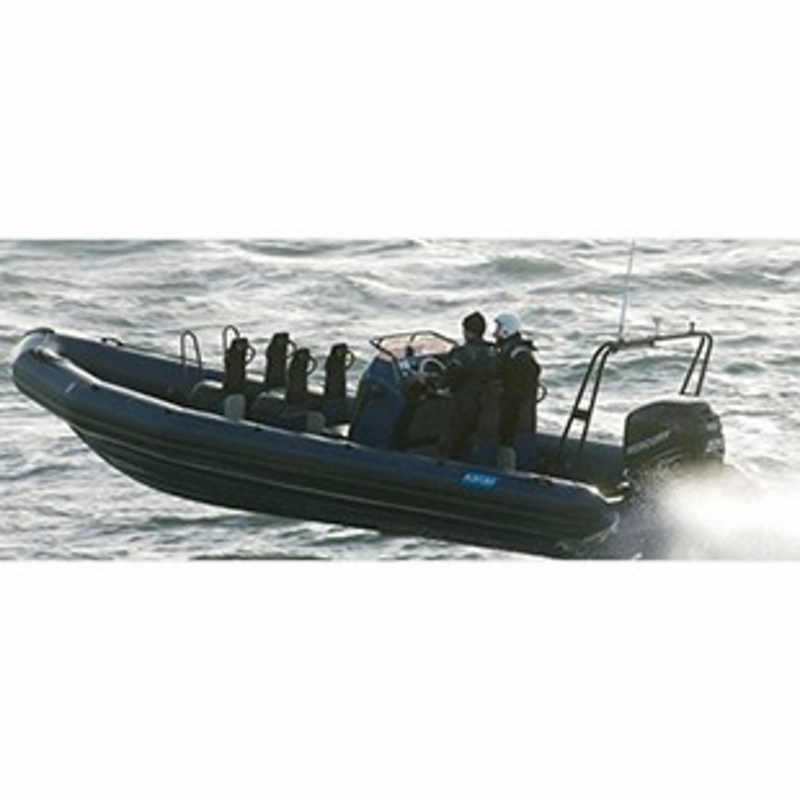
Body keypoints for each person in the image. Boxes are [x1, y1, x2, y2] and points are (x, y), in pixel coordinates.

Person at [437, 311, 497, 459]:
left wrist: (432, 382)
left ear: (467, 332)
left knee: (450, 437)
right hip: (487, 406)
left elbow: (447, 379)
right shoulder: (494, 351)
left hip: (465, 404)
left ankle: (443, 462)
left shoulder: (462, 353)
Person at [493, 312, 541, 470]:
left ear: (506, 330)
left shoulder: (518, 354)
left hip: (513, 409)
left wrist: (507, 394)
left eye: (498, 328)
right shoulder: (509, 351)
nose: (494, 333)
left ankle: (508, 469)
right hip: (511, 407)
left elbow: (524, 382)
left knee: (509, 440)